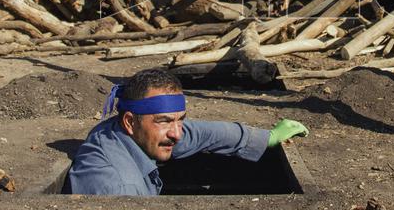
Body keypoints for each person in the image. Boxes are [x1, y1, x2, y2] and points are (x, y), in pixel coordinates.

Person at [68, 68, 309, 195]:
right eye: (164, 121)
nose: (177, 134)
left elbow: (201, 133)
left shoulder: (124, 132)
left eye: (180, 120)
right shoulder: (121, 189)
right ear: (130, 122)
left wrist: (265, 138)